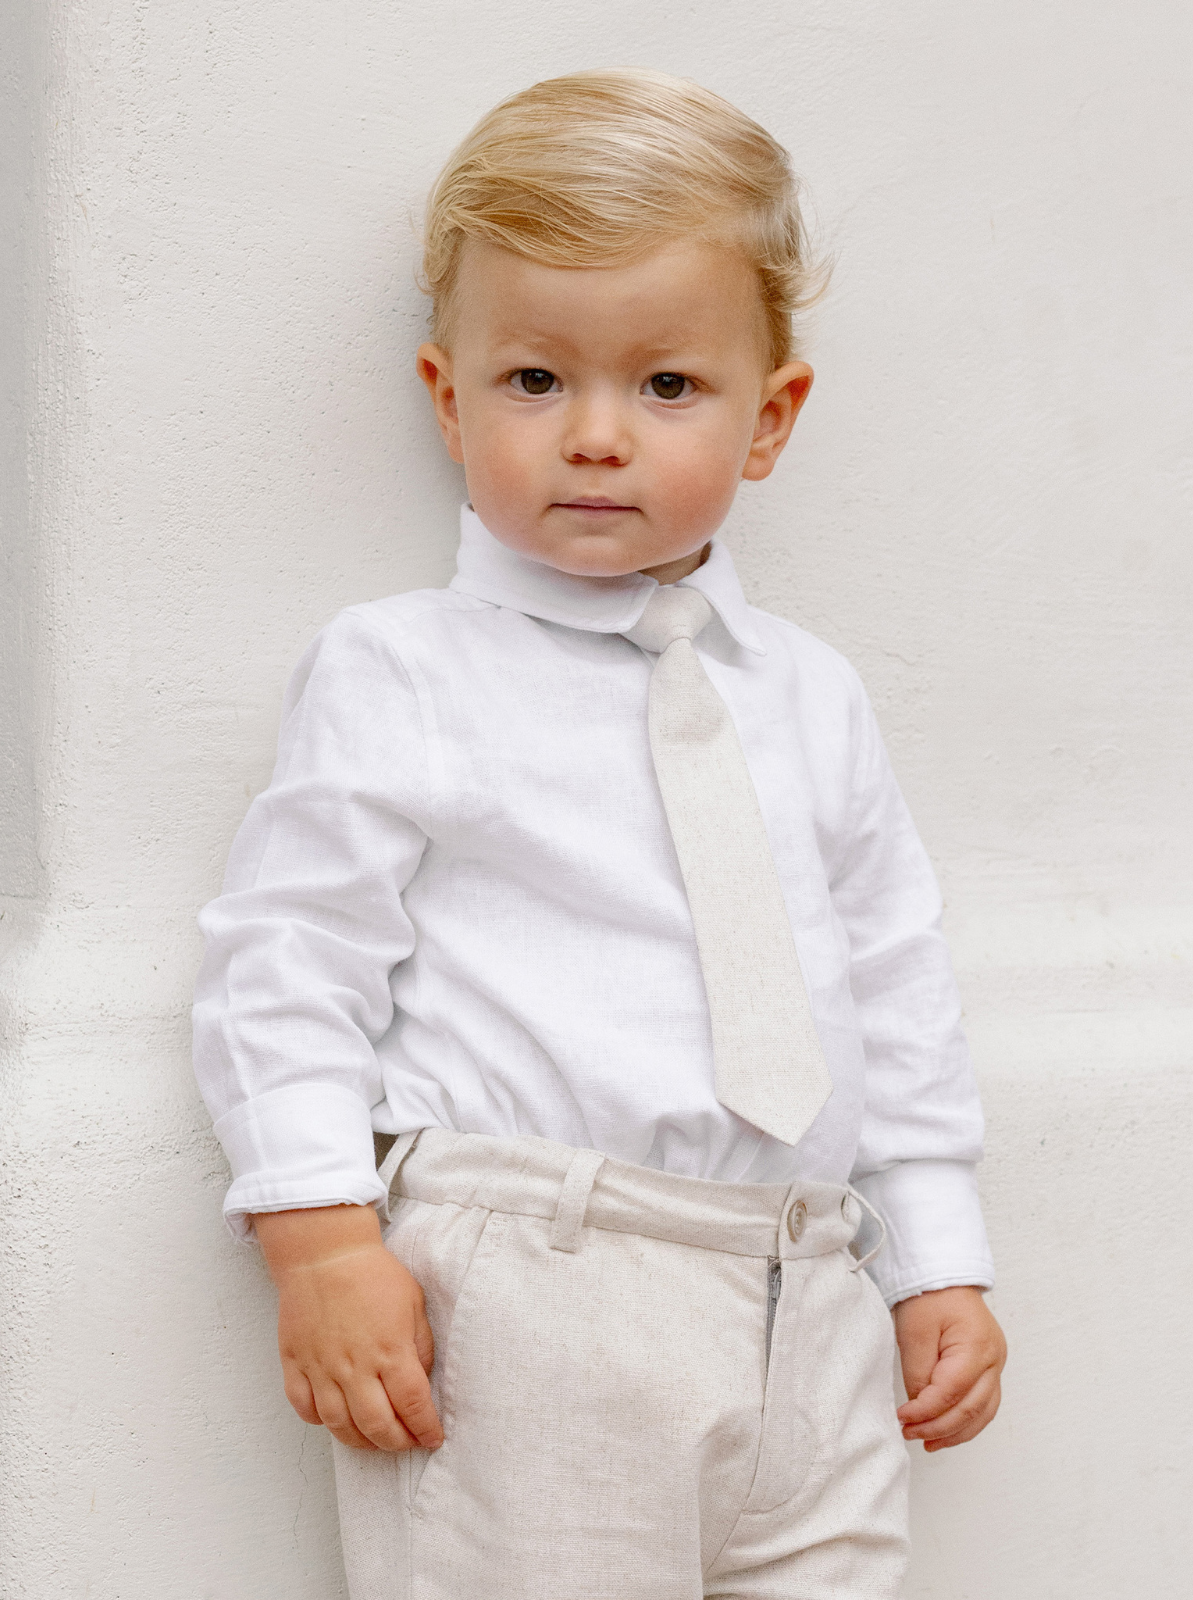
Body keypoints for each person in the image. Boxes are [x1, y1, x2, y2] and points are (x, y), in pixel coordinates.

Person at [193, 67, 1006, 1599]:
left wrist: (936, 1253)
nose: (597, 437)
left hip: (811, 1288)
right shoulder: (404, 669)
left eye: (667, 387)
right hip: (534, 1289)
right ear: (450, 398)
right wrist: (318, 1237)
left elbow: (893, 980)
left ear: (771, 420)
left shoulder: (811, 698)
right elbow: (288, 956)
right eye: (535, 381)